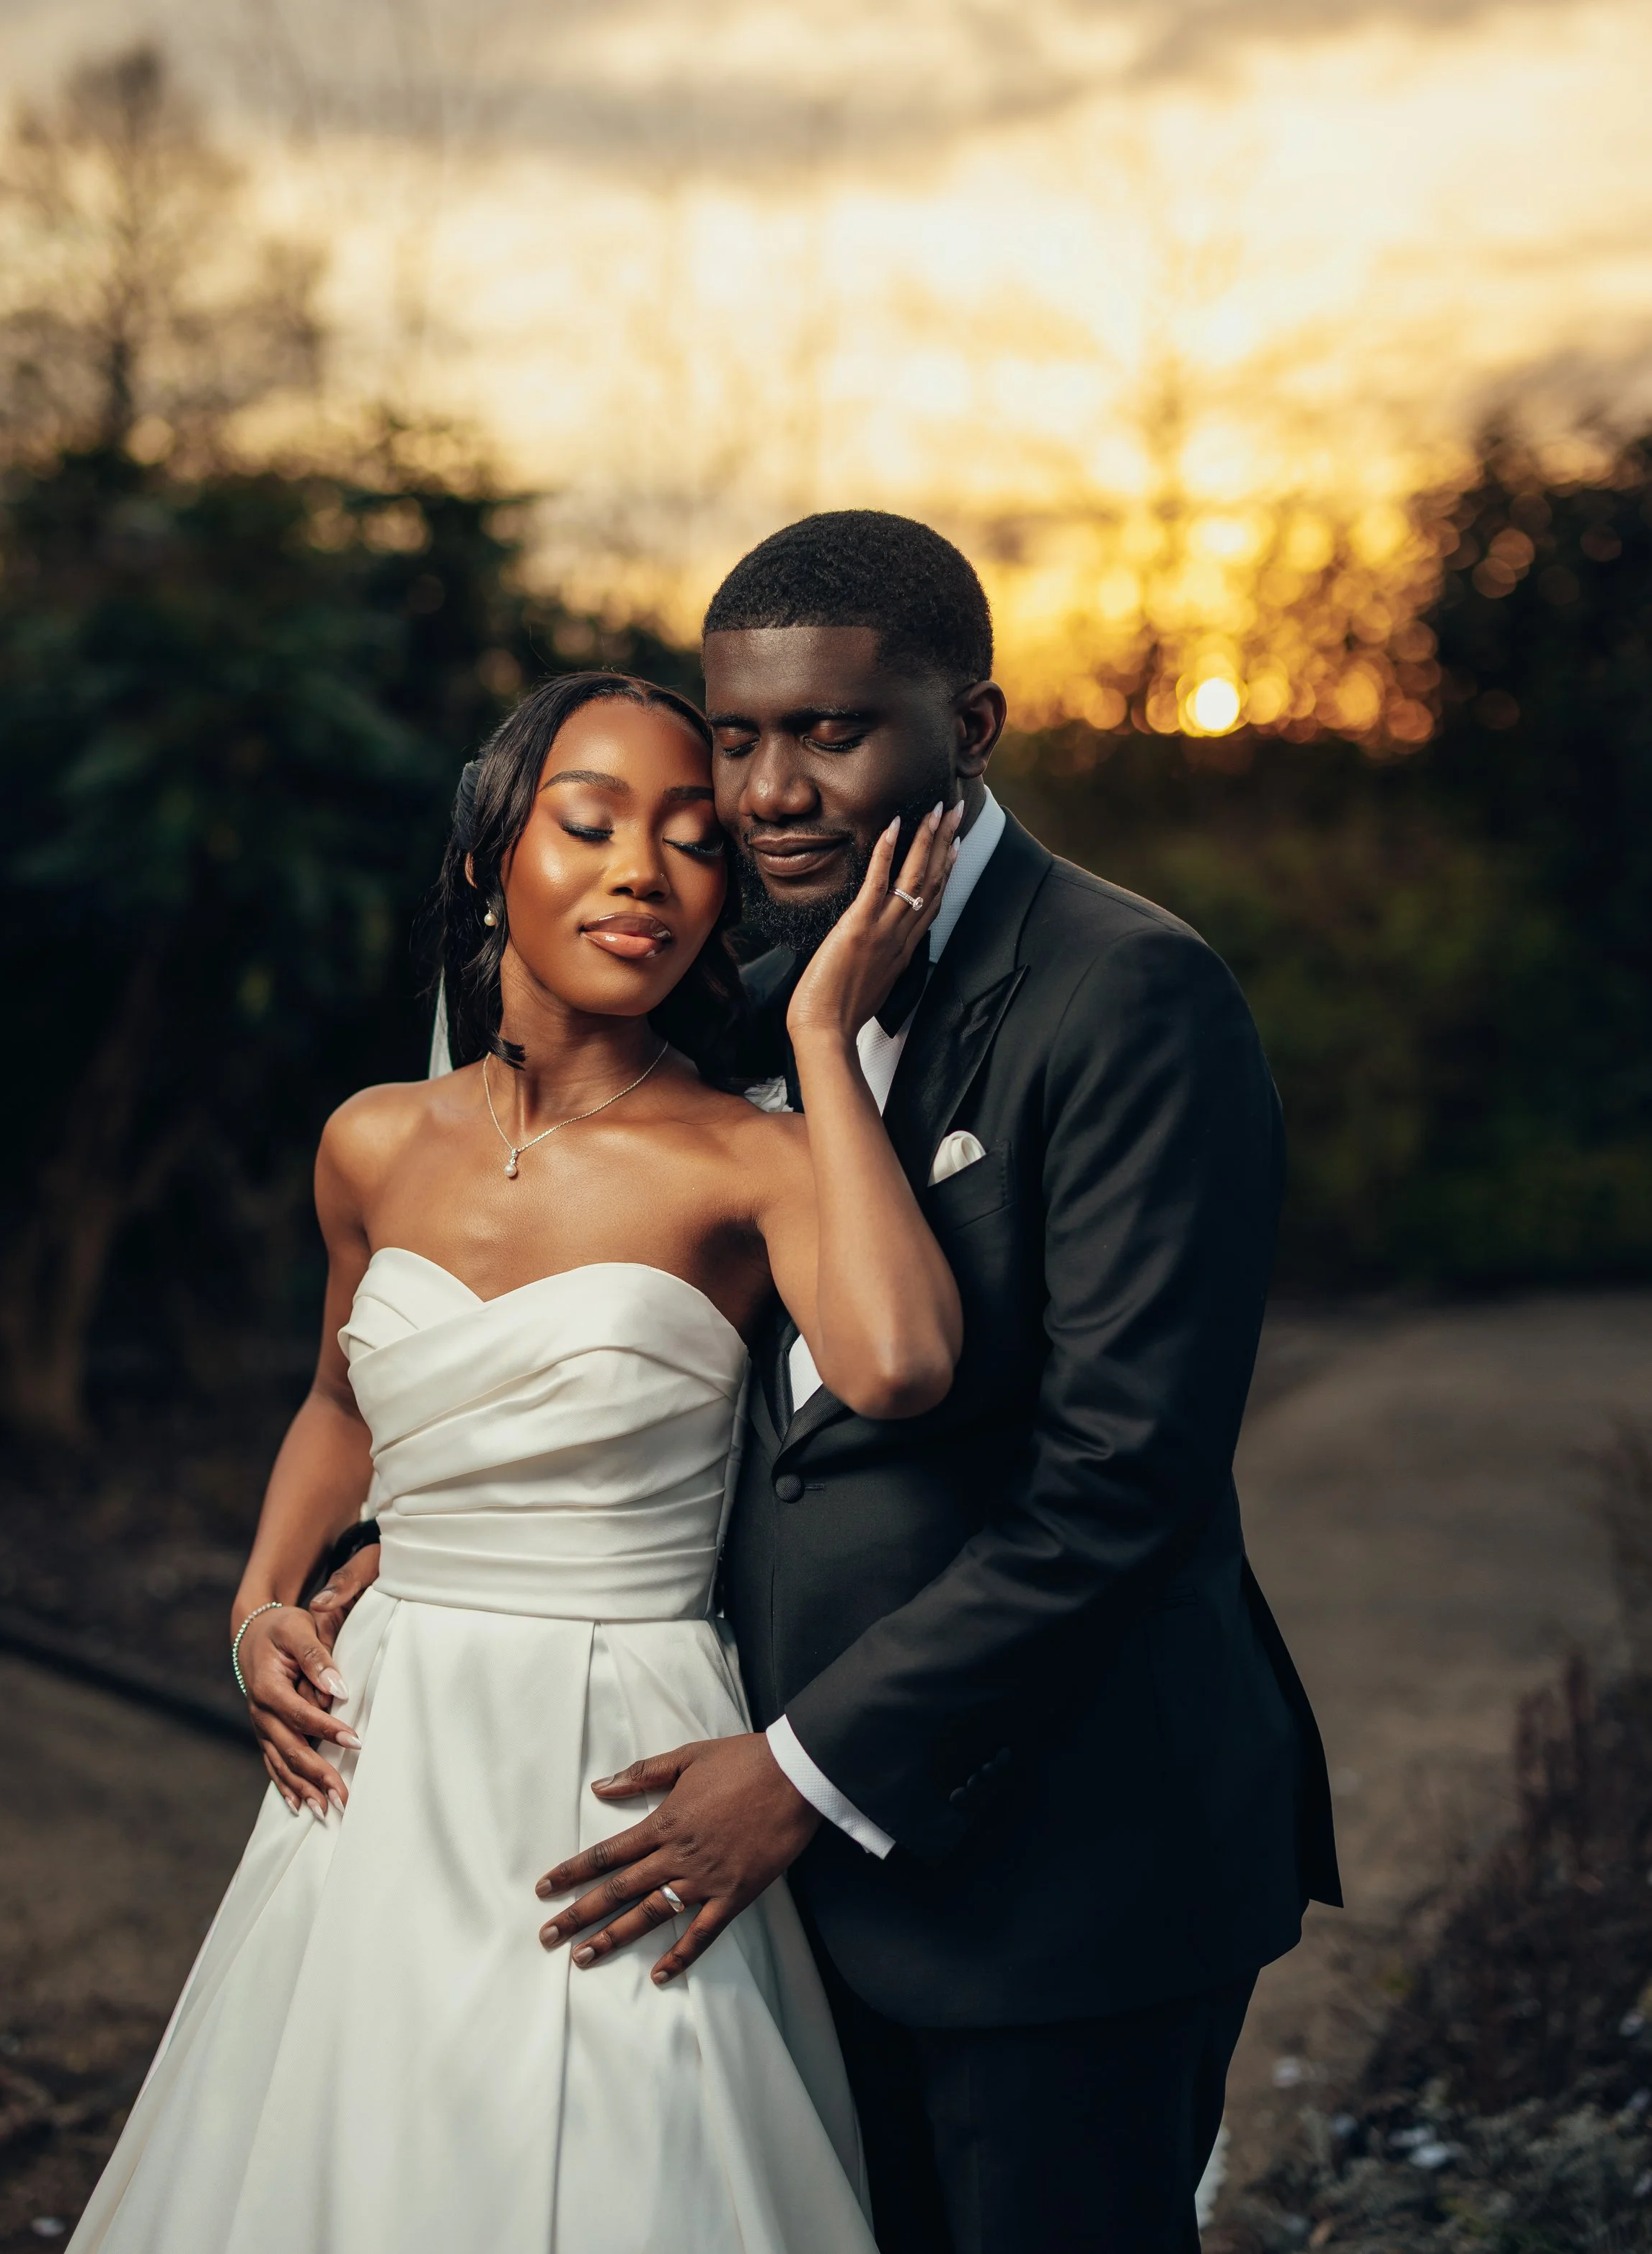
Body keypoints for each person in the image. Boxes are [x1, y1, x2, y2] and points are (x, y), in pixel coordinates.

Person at [305, 512, 1340, 2254]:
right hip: (768, 1896)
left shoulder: (1129, 996)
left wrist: (798, 1769)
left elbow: (1118, 1485)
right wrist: (426, 1539)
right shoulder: (763, 994)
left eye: (832, 730)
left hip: (1051, 1869)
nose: (770, 788)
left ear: (972, 726)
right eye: (738, 733)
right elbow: (648, 1360)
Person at [68, 668, 969, 2254]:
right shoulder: (371, 1138)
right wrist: (259, 1603)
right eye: (591, 821)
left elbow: (896, 1365)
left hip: (616, 1758)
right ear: (493, 858)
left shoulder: (747, 1152)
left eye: (693, 841)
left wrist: (821, 1032)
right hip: (382, 1739)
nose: (644, 870)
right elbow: (342, 1403)